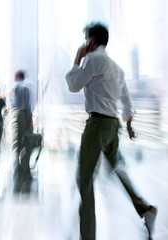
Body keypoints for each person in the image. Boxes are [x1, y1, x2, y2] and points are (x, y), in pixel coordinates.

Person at [65, 22, 157, 240]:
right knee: (117, 166)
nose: (85, 43)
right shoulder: (117, 67)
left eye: (86, 39)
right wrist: (129, 125)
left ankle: (87, 236)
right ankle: (144, 208)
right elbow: (126, 99)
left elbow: (73, 85)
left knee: (85, 181)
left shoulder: (93, 60)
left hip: (96, 125)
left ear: (92, 41)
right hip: (112, 125)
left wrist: (77, 60)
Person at [10, 70, 34, 193]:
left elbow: (13, 104)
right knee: (27, 143)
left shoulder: (15, 87)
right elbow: (29, 106)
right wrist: (31, 121)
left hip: (17, 117)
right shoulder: (26, 87)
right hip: (25, 117)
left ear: (17, 77)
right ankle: (26, 167)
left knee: (18, 142)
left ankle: (18, 166)